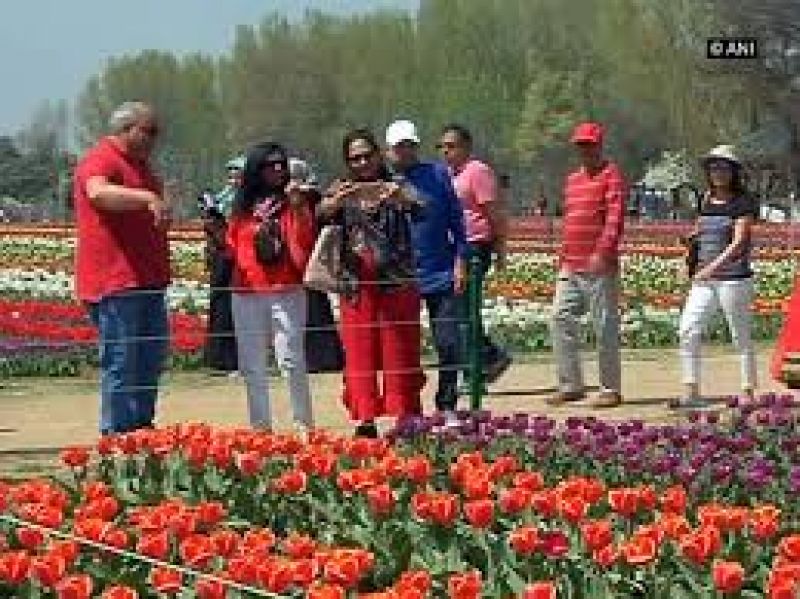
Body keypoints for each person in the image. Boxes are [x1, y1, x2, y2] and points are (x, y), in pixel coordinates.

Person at [72, 101, 171, 435]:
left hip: (147, 278)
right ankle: (116, 432)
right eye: (150, 131)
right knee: (123, 359)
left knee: (149, 359)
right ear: (127, 129)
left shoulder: (142, 166)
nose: (155, 139)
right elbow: (97, 193)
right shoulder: (101, 159)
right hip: (116, 280)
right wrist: (145, 198)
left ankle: (141, 426)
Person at [319, 129, 425, 438]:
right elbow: (319, 215)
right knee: (359, 351)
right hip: (357, 282)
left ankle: (404, 415)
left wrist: (401, 198)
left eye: (367, 155)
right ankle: (365, 419)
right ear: (347, 162)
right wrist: (333, 205)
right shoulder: (342, 187)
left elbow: (423, 209)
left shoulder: (395, 183)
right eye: (355, 158)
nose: (363, 162)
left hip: (396, 280)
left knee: (399, 349)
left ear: (379, 154)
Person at [226, 142, 315, 432]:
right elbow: (231, 246)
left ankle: (303, 425)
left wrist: (300, 208)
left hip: (286, 289)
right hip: (246, 292)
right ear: (256, 169)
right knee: (252, 365)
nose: (278, 169)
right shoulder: (242, 206)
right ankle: (261, 428)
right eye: (270, 164)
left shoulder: (293, 201)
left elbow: (304, 242)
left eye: (281, 164)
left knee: (291, 359)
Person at [384, 119, 468, 419]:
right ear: (388, 150)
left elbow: (457, 222)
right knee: (403, 348)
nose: (405, 151)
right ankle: (408, 407)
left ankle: (447, 404)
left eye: (410, 145)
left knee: (448, 343)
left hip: (440, 272)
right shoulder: (380, 180)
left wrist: (460, 260)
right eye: (398, 147)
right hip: (399, 277)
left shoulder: (437, 175)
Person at [548, 122, 626, 409]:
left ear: (599, 145)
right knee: (559, 317)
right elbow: (569, 220)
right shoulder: (572, 180)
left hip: (599, 264)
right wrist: (563, 257)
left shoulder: (611, 175)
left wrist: (603, 253)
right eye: (580, 146)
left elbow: (614, 219)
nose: (585, 151)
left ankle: (610, 388)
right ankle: (570, 384)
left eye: (590, 145)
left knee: (604, 325)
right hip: (571, 263)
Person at [674, 145, 757, 408]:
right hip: (705, 278)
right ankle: (691, 388)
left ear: (733, 171)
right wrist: (689, 243)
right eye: (713, 167)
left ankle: (747, 390)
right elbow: (701, 228)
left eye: (723, 167)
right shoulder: (707, 199)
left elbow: (739, 242)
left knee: (739, 333)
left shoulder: (742, 203)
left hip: (733, 278)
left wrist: (713, 267)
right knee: (688, 328)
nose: (717, 172)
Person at [438, 123, 512, 384]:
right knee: (461, 309)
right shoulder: (447, 175)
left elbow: (494, 213)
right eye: (442, 147)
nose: (446, 152)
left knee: (465, 307)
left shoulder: (477, 172)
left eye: (451, 146)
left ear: (466, 147)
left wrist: (500, 247)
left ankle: (481, 362)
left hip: (476, 246)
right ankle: (486, 358)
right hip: (454, 248)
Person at [288, 157, 345, 374]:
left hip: (309, 259)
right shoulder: (291, 198)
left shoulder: (311, 197)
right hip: (299, 260)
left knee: (315, 308)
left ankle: (323, 358)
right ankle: (318, 357)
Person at [202, 155, 244, 375]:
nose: (233, 178)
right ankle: (218, 358)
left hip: (238, 258)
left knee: (234, 308)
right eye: (231, 174)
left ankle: (235, 359)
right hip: (221, 257)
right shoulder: (222, 197)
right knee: (220, 306)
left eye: (237, 173)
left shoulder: (247, 200)